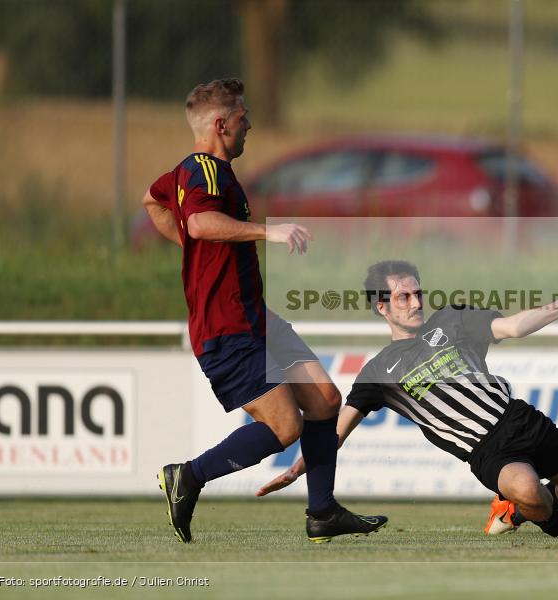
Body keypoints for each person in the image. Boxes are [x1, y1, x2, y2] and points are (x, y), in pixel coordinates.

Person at [142, 78, 386, 544]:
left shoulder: (190, 173)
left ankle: (322, 512)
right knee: (284, 425)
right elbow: (196, 221)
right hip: (227, 326)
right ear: (220, 124)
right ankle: (188, 476)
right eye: (241, 116)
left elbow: (153, 201)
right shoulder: (205, 170)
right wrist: (264, 232)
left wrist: (194, 252)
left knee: (324, 401)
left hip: (256, 317)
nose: (248, 123)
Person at [256, 260, 558, 539]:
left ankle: (511, 514)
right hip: (488, 451)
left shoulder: (452, 319)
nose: (415, 302)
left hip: (521, 420)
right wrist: (297, 468)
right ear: (382, 307)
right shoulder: (377, 372)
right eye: (403, 296)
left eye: (418, 293)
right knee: (532, 491)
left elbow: (514, 327)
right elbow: (335, 432)